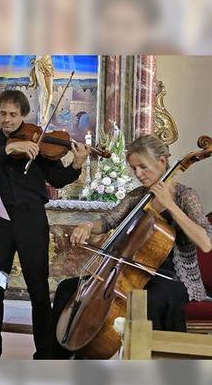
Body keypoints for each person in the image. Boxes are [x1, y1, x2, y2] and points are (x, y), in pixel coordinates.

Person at [49, 134, 212, 358]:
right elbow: (108, 221)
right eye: (134, 168)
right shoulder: (137, 196)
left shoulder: (185, 196)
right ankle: (57, 362)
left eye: (143, 167)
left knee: (150, 302)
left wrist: (170, 205)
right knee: (68, 289)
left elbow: (205, 243)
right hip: (131, 272)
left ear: (163, 162)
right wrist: (88, 225)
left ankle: (154, 369)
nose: (138, 174)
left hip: (171, 276)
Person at [0, 90, 89, 359]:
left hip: (32, 220)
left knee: (37, 286)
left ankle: (44, 354)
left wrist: (76, 165)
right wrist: (9, 148)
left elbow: (57, 179)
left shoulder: (38, 141)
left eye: (13, 115)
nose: (7, 119)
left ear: (24, 115)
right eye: (3, 113)